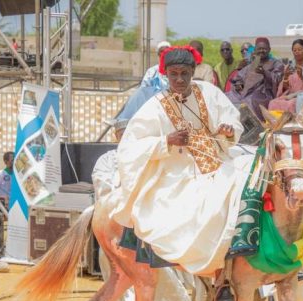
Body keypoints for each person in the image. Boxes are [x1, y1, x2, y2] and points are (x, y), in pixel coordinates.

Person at [104, 46, 247, 275]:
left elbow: (232, 120)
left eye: (184, 73)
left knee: (248, 180)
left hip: (219, 160)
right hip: (176, 169)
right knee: (194, 206)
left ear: (193, 71)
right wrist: (166, 141)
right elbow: (130, 147)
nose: (179, 79)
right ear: (166, 74)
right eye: (174, 74)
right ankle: (203, 263)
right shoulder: (155, 105)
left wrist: (228, 131)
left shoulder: (210, 93)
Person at [92, 150, 195, 301]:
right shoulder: (107, 160)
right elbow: (104, 191)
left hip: (146, 219)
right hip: (118, 221)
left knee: (156, 270)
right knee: (126, 273)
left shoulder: (150, 152)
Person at [229, 37, 284, 121]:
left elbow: (277, 79)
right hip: (245, 92)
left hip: (263, 93)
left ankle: (254, 125)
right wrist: (239, 84)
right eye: (259, 49)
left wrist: (265, 73)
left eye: (264, 49)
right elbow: (240, 77)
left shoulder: (276, 63)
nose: (261, 51)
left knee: (251, 100)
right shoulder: (254, 63)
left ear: (269, 49)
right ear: (255, 50)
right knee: (227, 97)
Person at [268, 39, 303, 114]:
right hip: (291, 95)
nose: (297, 52)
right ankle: (276, 122)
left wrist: (302, 76)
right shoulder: (289, 66)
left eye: (299, 50)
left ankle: (291, 122)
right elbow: (285, 88)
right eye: (294, 50)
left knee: (291, 104)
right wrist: (286, 77)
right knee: (272, 103)